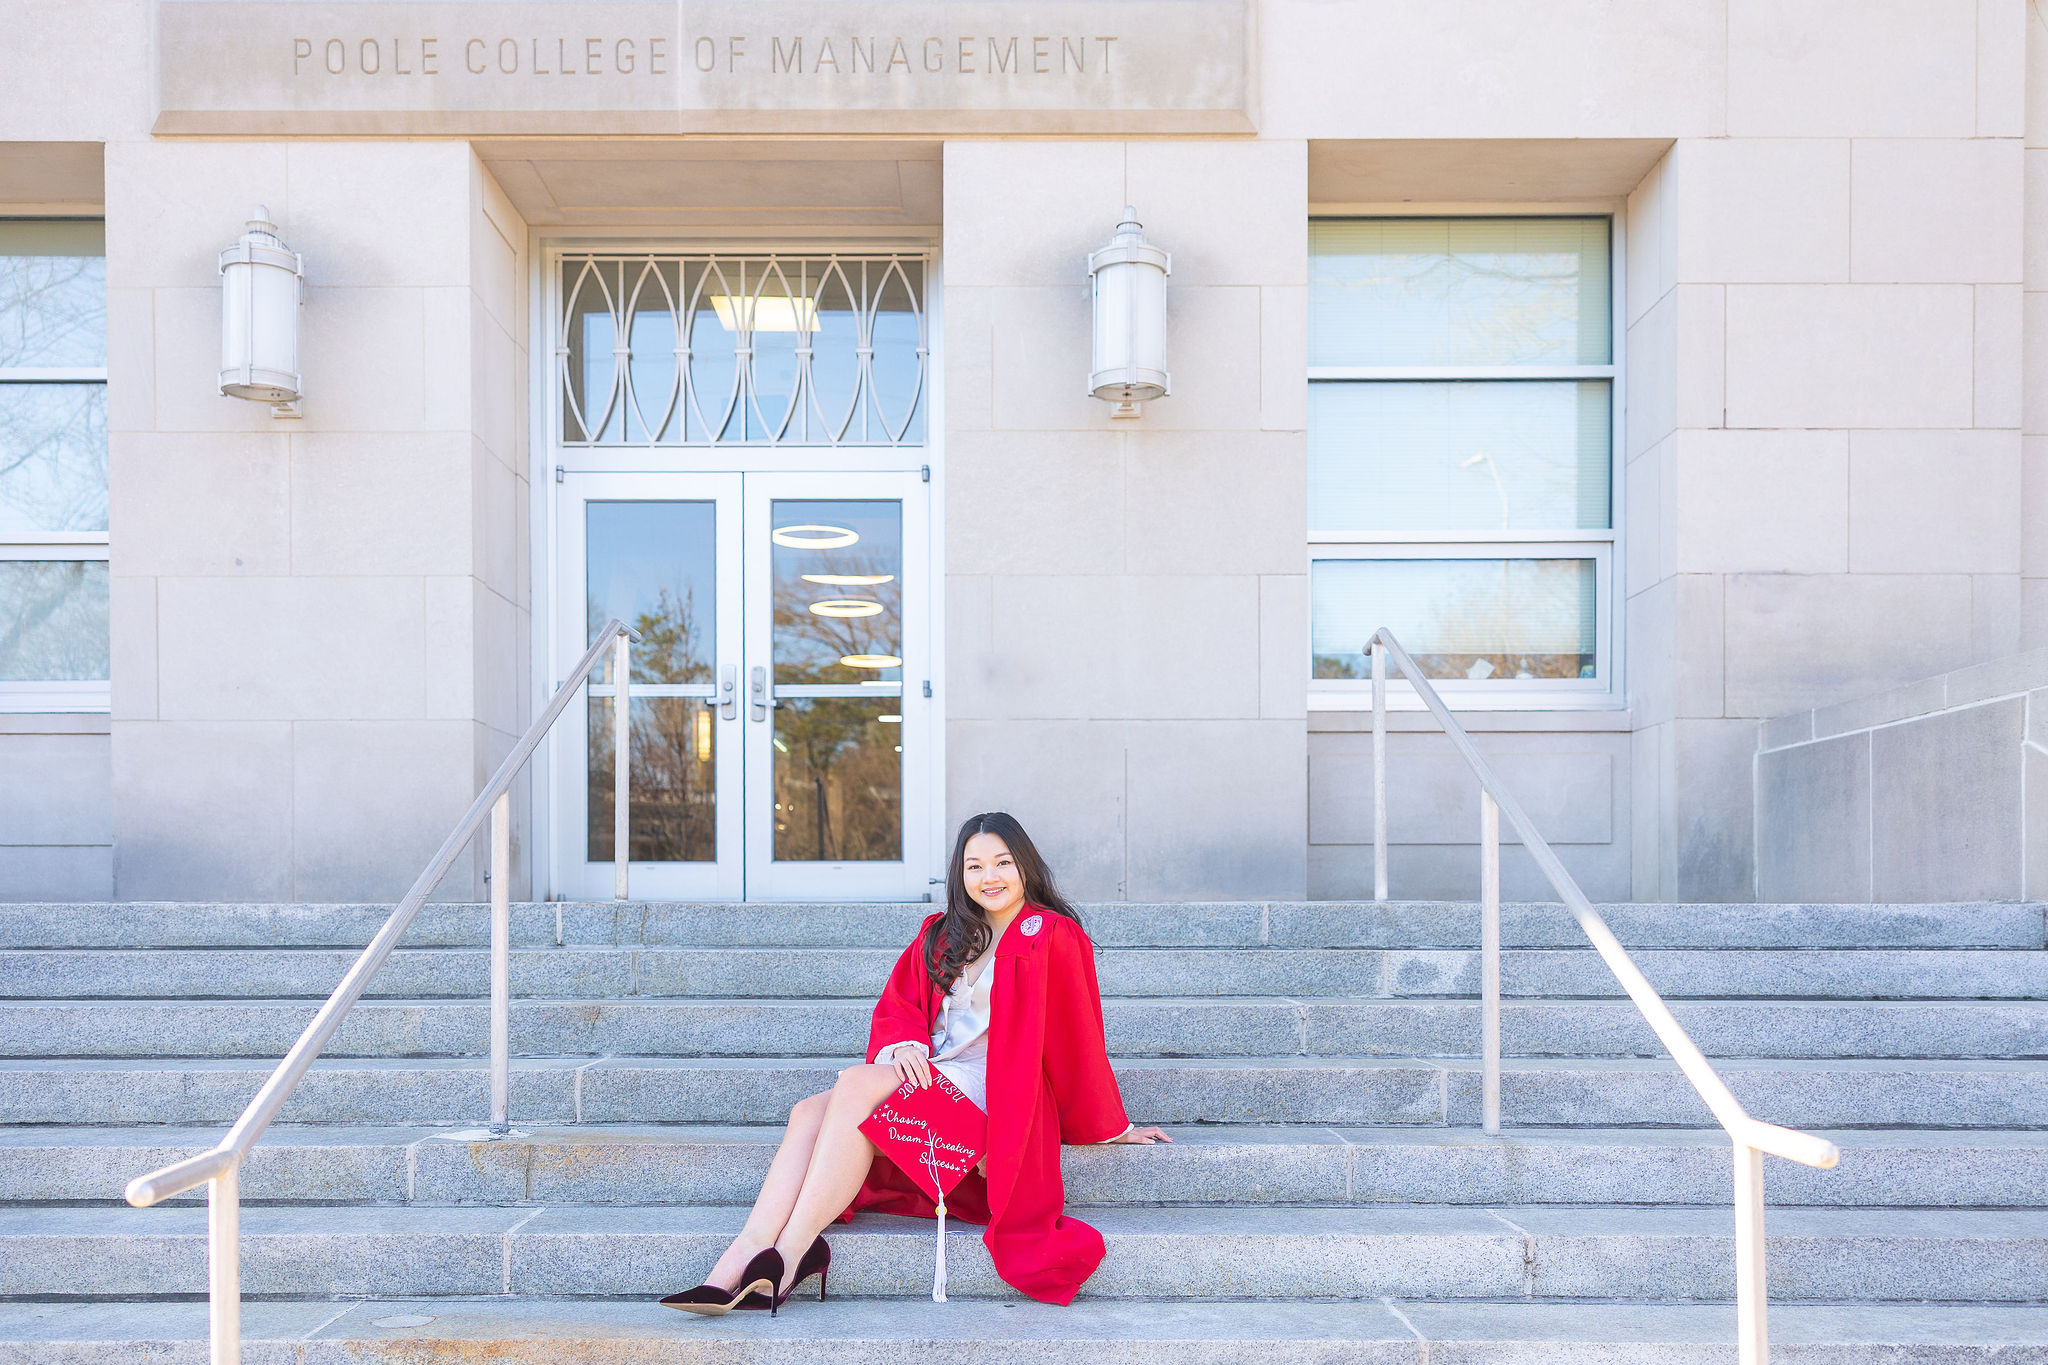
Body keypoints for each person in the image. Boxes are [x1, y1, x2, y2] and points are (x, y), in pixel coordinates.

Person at [661, 810, 1170, 1314]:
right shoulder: (946, 933)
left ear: (1025, 867)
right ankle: (744, 1253)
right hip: (938, 1073)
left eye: (1002, 863)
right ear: (960, 873)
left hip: (995, 1092)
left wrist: (1110, 1125)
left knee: (856, 1084)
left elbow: (1076, 1037)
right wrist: (904, 1041)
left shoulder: (1050, 933)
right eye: (974, 866)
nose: (989, 877)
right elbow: (900, 1005)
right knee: (806, 1113)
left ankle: (790, 1251)